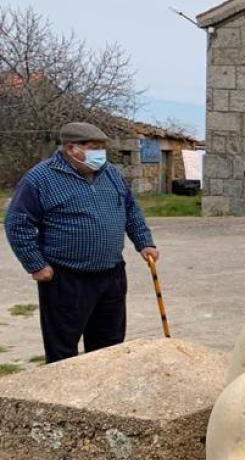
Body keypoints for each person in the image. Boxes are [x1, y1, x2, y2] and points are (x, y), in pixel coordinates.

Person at [4, 122, 159, 363]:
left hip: (111, 275)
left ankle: (101, 396)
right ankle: (61, 396)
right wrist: (35, 264)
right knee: (63, 350)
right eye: (93, 147)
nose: (100, 154)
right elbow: (17, 222)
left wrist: (144, 242)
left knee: (109, 346)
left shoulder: (111, 173)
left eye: (102, 148)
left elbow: (131, 210)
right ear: (70, 149)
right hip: (66, 278)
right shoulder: (40, 178)